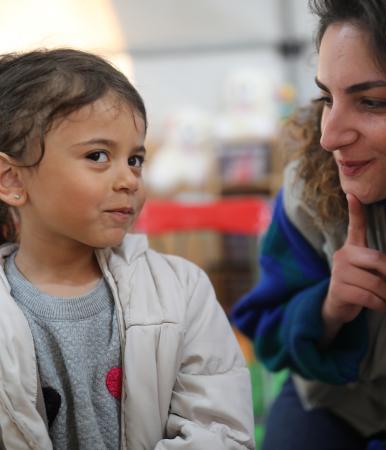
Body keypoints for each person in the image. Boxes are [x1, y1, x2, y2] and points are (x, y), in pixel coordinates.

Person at [0, 48, 254, 450]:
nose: (129, 180)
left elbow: (219, 432)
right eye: (98, 156)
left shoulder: (181, 291)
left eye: (135, 159)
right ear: (12, 180)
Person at [232, 0, 386, 449]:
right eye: (327, 98)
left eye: (372, 102)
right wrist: (327, 307)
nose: (329, 136)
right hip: (327, 403)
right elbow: (266, 333)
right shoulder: (308, 193)